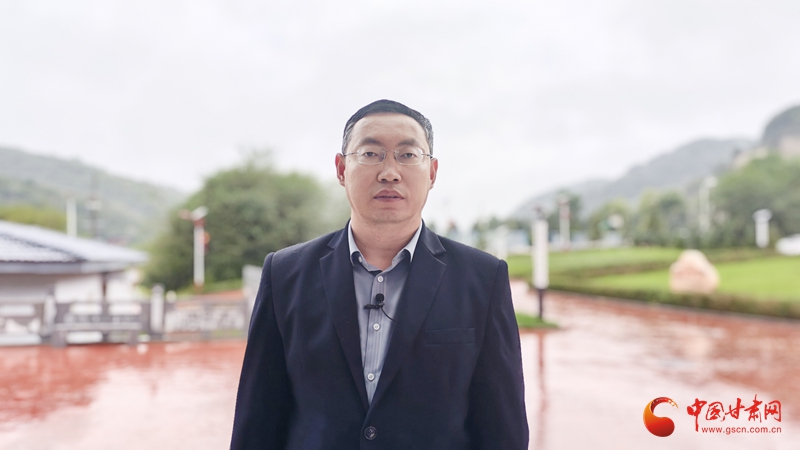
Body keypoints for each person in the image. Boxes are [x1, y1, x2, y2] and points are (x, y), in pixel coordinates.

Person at [230, 99, 528, 449]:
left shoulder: (483, 279)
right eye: (370, 154)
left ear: (432, 173)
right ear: (341, 169)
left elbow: (502, 430)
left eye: (408, 155)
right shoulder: (284, 274)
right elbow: (258, 419)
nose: (389, 172)